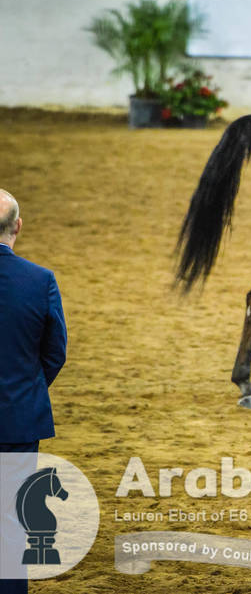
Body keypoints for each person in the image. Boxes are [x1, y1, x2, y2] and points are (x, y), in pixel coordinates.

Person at [0, 189, 67, 594]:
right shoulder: (40, 280)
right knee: (10, 522)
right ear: (18, 227)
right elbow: (55, 353)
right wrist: (26, 388)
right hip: (18, 420)